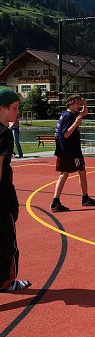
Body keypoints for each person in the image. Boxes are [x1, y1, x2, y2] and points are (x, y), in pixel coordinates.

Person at [0, 88, 31, 292]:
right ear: (2, 108)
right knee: (7, 242)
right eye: (14, 108)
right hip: (2, 199)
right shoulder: (4, 134)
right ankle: (7, 281)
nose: (17, 113)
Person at [50, 94, 95, 212]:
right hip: (70, 152)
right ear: (70, 103)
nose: (79, 106)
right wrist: (75, 124)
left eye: (80, 104)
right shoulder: (69, 117)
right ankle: (59, 201)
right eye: (77, 103)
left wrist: (85, 103)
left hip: (66, 151)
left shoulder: (68, 114)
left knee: (72, 173)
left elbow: (84, 113)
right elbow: (65, 134)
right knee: (74, 172)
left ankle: (60, 201)